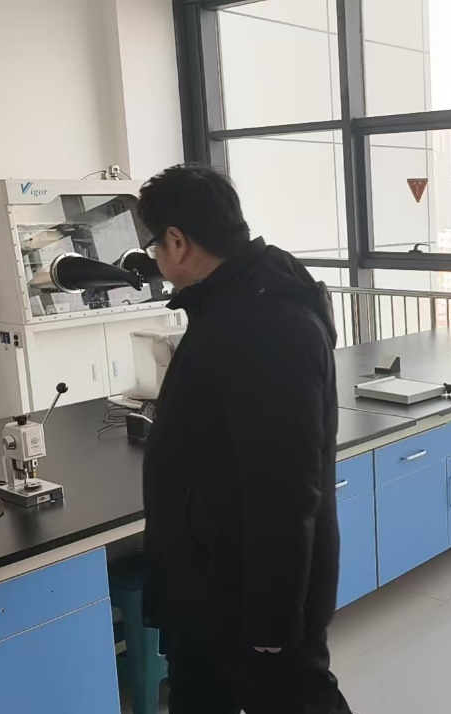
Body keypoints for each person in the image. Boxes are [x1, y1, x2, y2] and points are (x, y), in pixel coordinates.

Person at [137, 165, 352, 714]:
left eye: (155, 245)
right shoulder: (231, 301)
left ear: (178, 242)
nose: (156, 260)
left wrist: (273, 616)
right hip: (211, 574)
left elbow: (285, 483)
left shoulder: (267, 322)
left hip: (249, 590)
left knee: (297, 702)